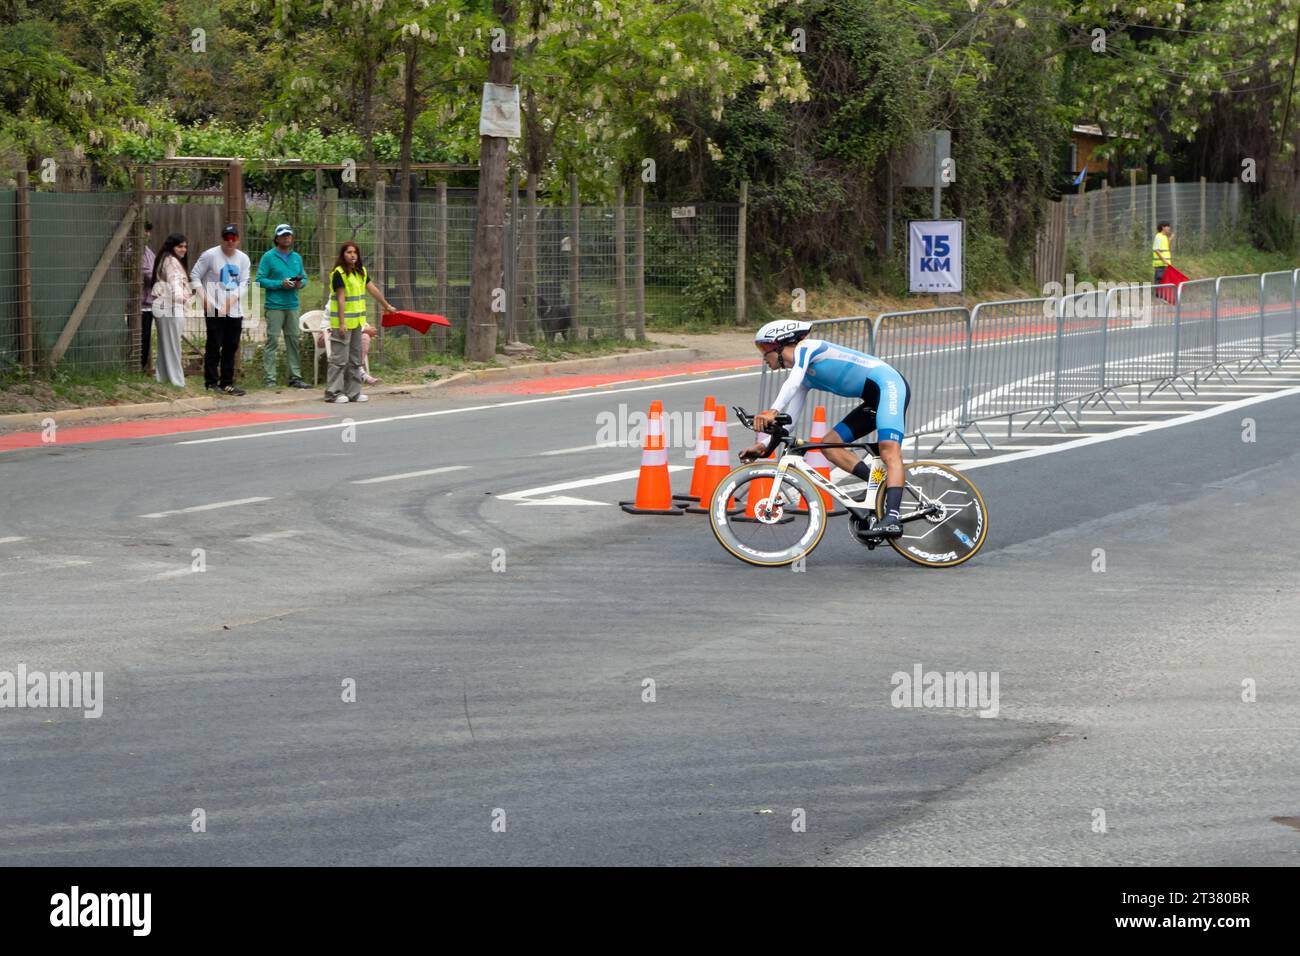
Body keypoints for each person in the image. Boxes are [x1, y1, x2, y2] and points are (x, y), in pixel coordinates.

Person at [741, 320, 912, 539]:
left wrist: (772, 410)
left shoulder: (807, 348)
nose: (764, 358)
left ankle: (892, 519)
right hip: (872, 399)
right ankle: (880, 486)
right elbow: (790, 420)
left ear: (781, 345)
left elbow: (791, 384)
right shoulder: (804, 379)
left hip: (889, 386)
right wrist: (762, 446)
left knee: (888, 450)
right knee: (830, 446)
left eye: (764, 350)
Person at [324, 241, 394, 404]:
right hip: (342, 324)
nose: (352, 255)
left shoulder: (361, 271)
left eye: (355, 252)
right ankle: (333, 392)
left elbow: (373, 289)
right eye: (348, 252)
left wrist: (386, 305)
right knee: (339, 359)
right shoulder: (338, 273)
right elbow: (341, 299)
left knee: (355, 359)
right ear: (343, 255)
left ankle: (353, 392)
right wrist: (341, 323)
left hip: (357, 323)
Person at [192, 224, 251, 396]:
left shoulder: (243, 259)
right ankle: (211, 382)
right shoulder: (210, 255)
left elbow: (244, 283)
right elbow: (195, 276)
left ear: (238, 240)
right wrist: (203, 298)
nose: (230, 241)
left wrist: (230, 302)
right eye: (227, 238)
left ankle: (227, 382)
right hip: (213, 306)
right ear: (222, 239)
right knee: (214, 345)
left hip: (234, 309)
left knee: (231, 346)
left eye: (233, 238)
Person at [256, 223, 312, 389]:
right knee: (272, 340)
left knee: (293, 340)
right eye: (283, 235)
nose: (286, 237)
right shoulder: (268, 257)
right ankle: (270, 379)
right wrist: (280, 284)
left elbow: (305, 279)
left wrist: (299, 284)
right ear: (276, 238)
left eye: (289, 235)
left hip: (292, 305)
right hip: (274, 306)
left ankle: (295, 377)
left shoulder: (297, 258)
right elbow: (259, 280)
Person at [149, 233, 190, 388]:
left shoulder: (165, 259)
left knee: (165, 344)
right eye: (180, 246)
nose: (183, 249)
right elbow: (175, 285)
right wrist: (183, 299)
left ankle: (164, 378)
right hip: (171, 306)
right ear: (172, 247)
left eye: (185, 246)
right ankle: (177, 381)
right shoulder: (171, 261)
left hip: (164, 306)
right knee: (173, 346)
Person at [140, 220, 155, 374]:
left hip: (150, 303)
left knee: (146, 339)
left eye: (148, 231)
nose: (147, 234)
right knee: (139, 339)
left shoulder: (149, 252)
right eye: (144, 230)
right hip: (139, 304)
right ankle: (136, 369)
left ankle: (142, 369)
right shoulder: (133, 251)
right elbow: (148, 274)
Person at [1152, 220, 1173, 286]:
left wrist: (1170, 239)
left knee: (1164, 279)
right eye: (1167, 226)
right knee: (1159, 279)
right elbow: (1156, 249)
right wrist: (1163, 259)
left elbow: (1166, 247)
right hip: (1160, 263)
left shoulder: (1164, 237)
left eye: (1168, 226)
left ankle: (1162, 293)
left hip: (1165, 263)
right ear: (1163, 227)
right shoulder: (1158, 236)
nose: (1169, 228)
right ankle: (1157, 293)